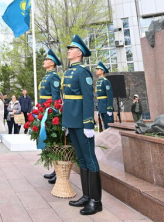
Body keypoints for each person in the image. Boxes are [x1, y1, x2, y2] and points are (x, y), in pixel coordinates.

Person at [63, 34, 102, 215]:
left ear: (79, 52)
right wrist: (66, 122)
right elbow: (67, 100)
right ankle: (86, 196)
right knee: (82, 159)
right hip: (72, 121)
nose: (68, 51)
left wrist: (88, 123)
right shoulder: (68, 71)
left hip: (81, 121)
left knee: (90, 159)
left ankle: (96, 200)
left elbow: (88, 98)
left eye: (71, 48)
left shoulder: (83, 72)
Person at [41, 49, 62, 184]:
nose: (44, 61)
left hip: (50, 112)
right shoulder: (47, 76)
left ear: (52, 63)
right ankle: (56, 170)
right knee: (50, 143)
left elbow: (55, 97)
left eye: (46, 59)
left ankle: (58, 172)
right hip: (44, 111)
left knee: (55, 143)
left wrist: (54, 112)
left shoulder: (54, 76)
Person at [95, 62, 114, 130]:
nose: (96, 70)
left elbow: (110, 95)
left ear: (102, 71)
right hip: (101, 106)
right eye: (96, 69)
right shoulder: (99, 81)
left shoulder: (106, 81)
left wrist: (109, 108)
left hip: (106, 106)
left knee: (109, 126)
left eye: (98, 69)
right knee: (105, 126)